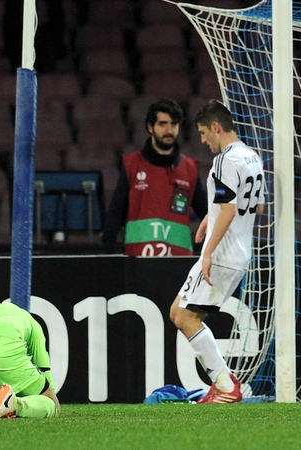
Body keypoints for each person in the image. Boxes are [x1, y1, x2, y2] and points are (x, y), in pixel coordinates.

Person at [169, 100, 265, 404]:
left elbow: (229, 209)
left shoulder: (225, 160)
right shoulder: (252, 157)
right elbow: (256, 205)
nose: (202, 140)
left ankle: (225, 385)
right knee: (181, 312)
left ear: (216, 128)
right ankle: (224, 382)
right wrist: (210, 217)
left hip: (222, 255)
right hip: (239, 253)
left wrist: (208, 251)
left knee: (183, 316)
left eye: (202, 133)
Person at [102, 98, 208, 256]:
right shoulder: (132, 165)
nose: (169, 130)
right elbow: (115, 215)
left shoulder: (190, 168)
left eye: (173, 124)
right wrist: (105, 258)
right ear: (150, 127)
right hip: (138, 263)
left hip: (179, 265)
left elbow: (208, 216)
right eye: (163, 124)